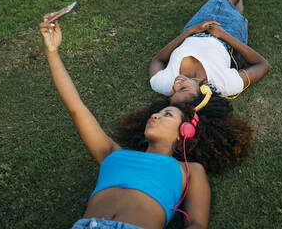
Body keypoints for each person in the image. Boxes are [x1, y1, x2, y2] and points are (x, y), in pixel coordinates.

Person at [39, 12, 253, 229]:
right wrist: (52, 51)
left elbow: (197, 224)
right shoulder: (112, 153)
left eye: (166, 115)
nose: (155, 115)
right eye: (161, 113)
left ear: (185, 132)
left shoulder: (190, 171)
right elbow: (77, 108)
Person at [149, 0, 269, 104]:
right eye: (183, 88)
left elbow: (157, 59)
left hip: (195, 29)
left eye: (172, 93)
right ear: (203, 91)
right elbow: (262, 65)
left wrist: (190, 31)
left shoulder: (163, 84)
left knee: (232, 0)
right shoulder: (224, 84)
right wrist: (224, 35)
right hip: (228, 34)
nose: (175, 86)